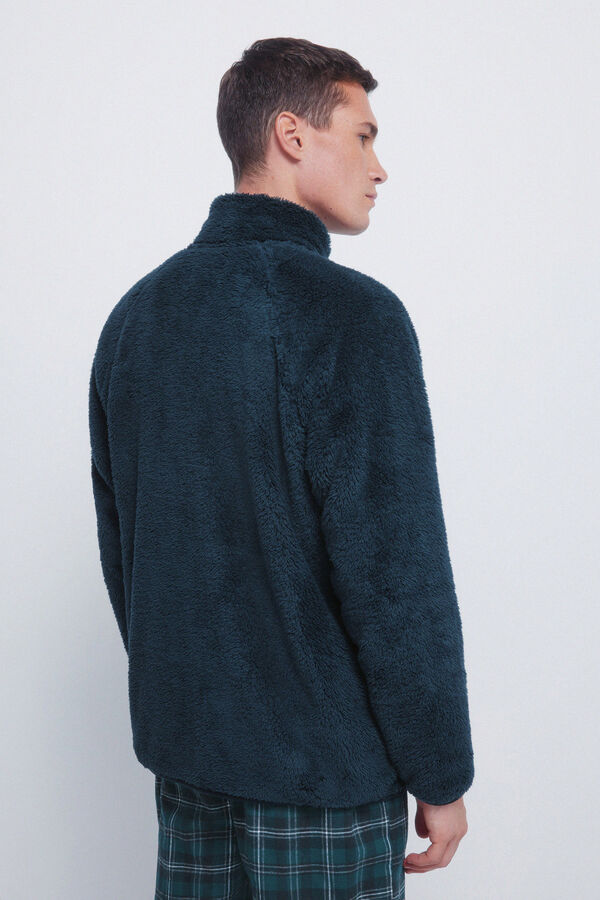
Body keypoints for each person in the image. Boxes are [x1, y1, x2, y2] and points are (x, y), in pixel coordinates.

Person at [88, 36, 474, 899]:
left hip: (189, 766)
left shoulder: (136, 319)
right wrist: (440, 770)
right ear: (292, 134)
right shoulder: (353, 317)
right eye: (364, 135)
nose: (380, 167)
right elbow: (397, 575)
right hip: (323, 778)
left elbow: (128, 556)